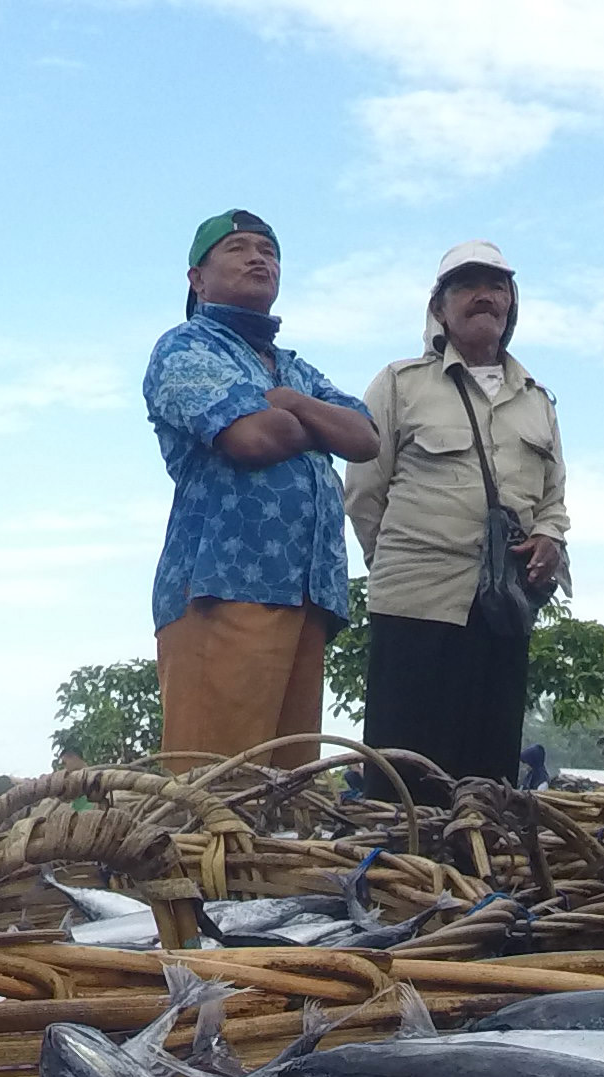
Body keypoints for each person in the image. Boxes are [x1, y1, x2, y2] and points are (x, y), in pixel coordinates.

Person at [143, 211, 376, 777]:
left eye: (268, 251)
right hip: (224, 587)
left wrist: (289, 403)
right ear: (197, 279)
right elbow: (251, 438)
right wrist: (314, 424)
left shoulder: (295, 370)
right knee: (216, 790)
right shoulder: (186, 347)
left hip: (307, 596)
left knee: (287, 792)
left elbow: (366, 437)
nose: (258, 259)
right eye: (238, 248)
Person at [347, 241, 570, 793]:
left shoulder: (537, 401)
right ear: (439, 308)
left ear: (512, 304)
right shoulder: (399, 384)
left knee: (486, 778)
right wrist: (398, 563)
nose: (484, 296)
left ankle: (477, 850)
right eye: (467, 286)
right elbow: (364, 493)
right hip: (414, 605)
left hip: (502, 614)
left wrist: (548, 536)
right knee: (402, 778)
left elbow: (553, 500)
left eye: (497, 286)